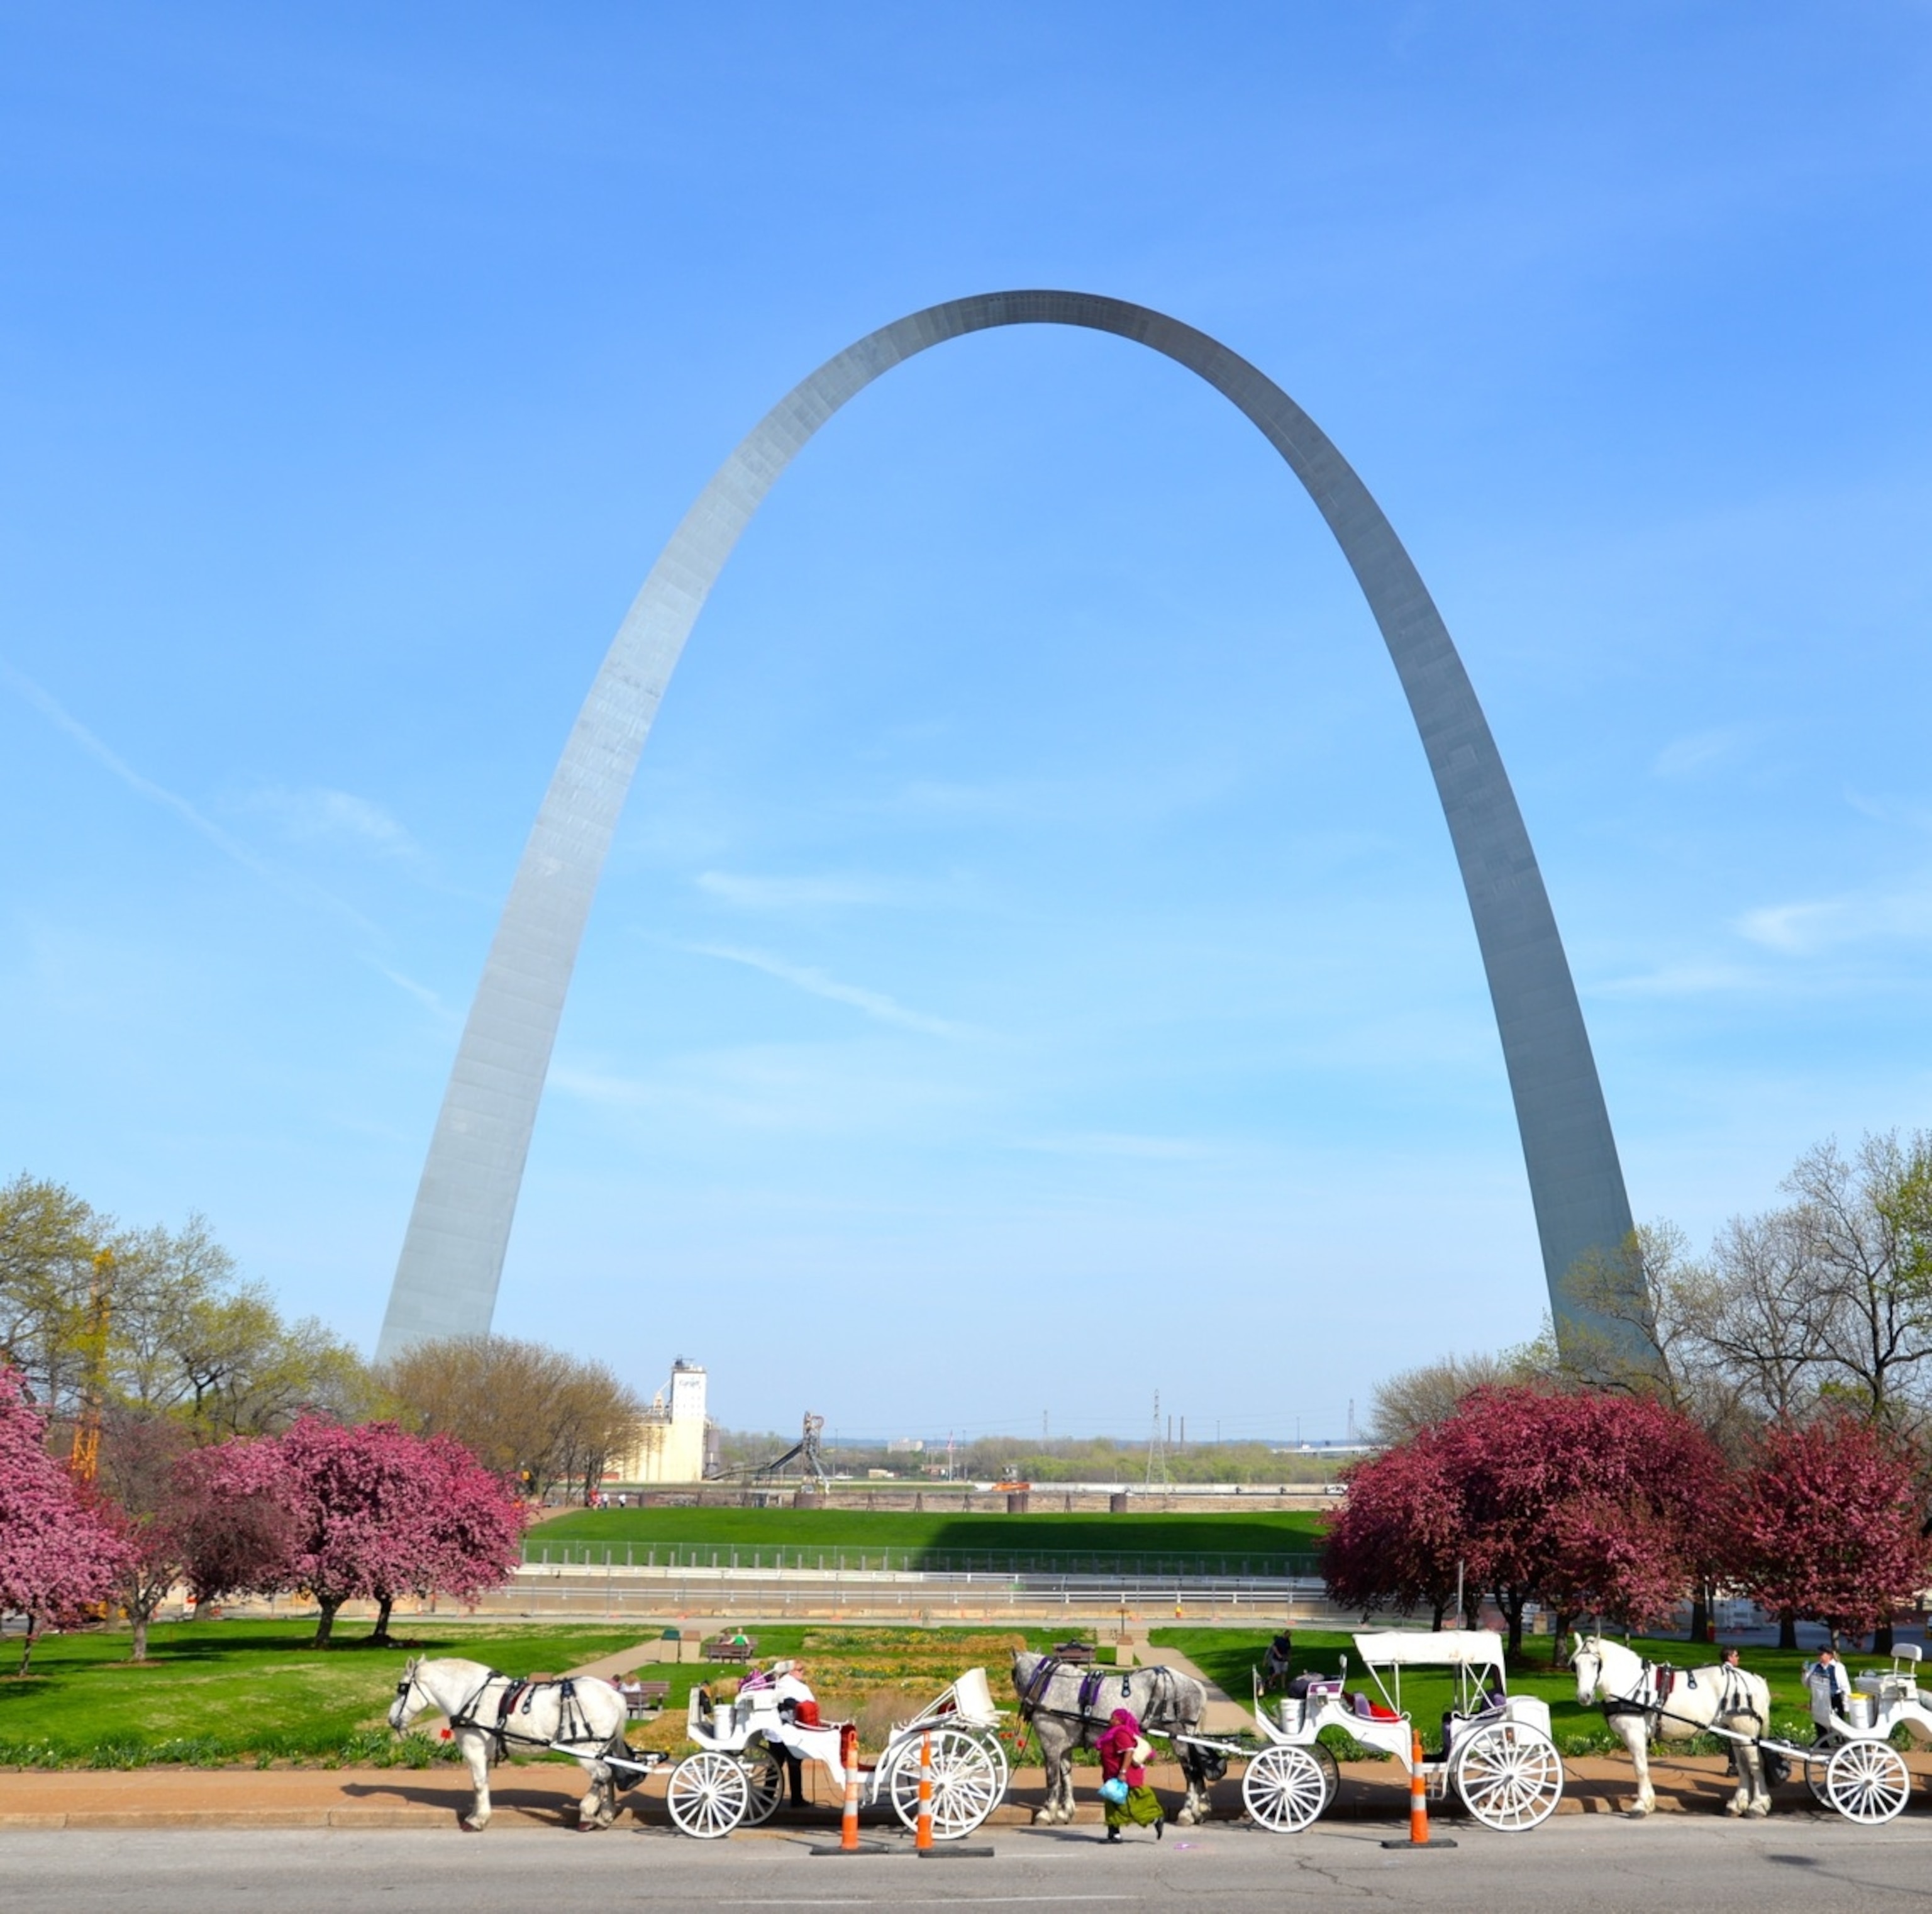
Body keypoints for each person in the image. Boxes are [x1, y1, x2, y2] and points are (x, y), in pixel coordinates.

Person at [1096, 1707, 1163, 1842]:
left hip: (1125, 1776)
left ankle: (1155, 1819)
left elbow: (1129, 1752)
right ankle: (1114, 1834)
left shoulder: (1121, 1733)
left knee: (1133, 1803)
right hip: (1112, 1775)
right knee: (1112, 1803)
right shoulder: (1112, 1733)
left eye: (1113, 1718)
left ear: (1120, 1720)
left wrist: (1123, 1772)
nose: (1110, 1720)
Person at [769, 1659, 819, 1808]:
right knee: (793, 1763)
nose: (803, 1672)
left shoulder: (781, 1684)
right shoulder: (795, 1687)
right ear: (791, 1671)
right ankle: (796, 1799)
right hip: (790, 1730)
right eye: (800, 1669)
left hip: (780, 1730)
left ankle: (767, 1797)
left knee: (776, 1764)